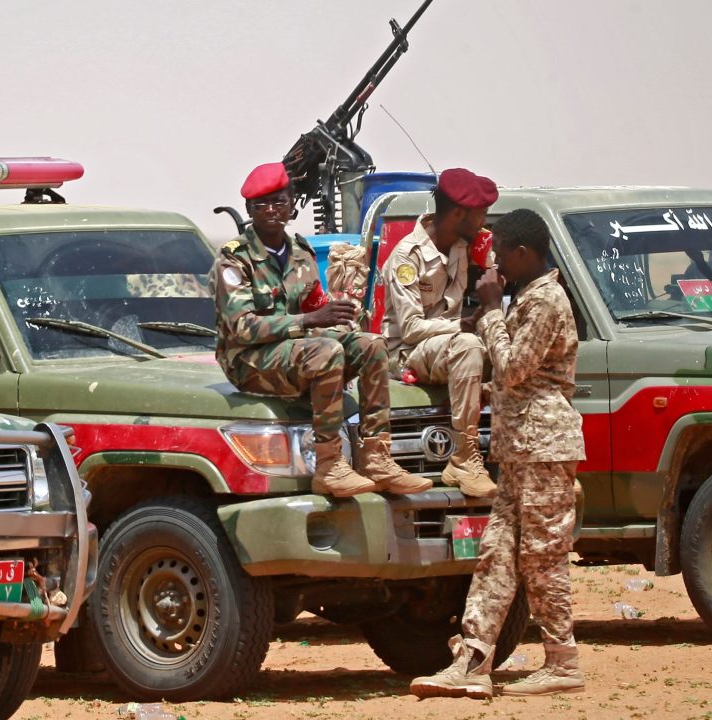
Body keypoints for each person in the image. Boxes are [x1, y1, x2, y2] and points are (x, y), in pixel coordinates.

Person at [410, 208, 586, 699]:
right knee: (497, 556)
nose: (496, 264)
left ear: (525, 253)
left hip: (544, 449)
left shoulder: (546, 300)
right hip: (521, 450)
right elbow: (516, 380)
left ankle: (562, 660)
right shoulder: (529, 298)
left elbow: (512, 368)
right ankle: (472, 659)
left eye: (503, 253)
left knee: (542, 557)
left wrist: (488, 313)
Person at [211, 162, 429, 497]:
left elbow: (315, 307)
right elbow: (242, 328)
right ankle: (330, 465)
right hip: (249, 361)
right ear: (250, 211)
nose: (271, 211)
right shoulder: (234, 261)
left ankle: (377, 458)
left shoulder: (301, 252)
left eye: (279, 202)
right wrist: (309, 322)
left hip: (293, 351)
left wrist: (340, 316)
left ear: (291, 203)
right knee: (326, 351)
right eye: (261, 205)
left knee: (371, 345)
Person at [384, 167, 499, 497]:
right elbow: (410, 328)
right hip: (409, 353)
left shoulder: (465, 245)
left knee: (507, 343)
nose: (484, 223)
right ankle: (465, 458)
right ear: (459, 213)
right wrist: (460, 326)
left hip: (447, 346)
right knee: (468, 345)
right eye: (481, 215)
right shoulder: (408, 256)